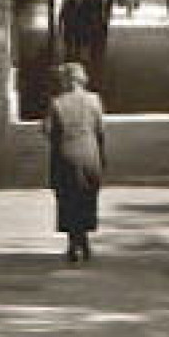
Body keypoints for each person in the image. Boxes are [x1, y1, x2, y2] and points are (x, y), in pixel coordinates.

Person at [45, 62, 107, 263]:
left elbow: (49, 132)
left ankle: (73, 243)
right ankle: (85, 241)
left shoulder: (57, 103)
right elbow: (100, 131)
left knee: (67, 198)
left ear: (65, 81)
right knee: (87, 197)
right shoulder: (94, 101)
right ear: (83, 79)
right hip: (90, 154)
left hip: (66, 155)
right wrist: (102, 156)